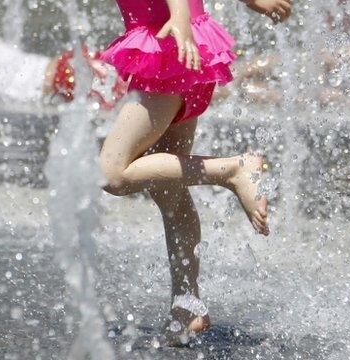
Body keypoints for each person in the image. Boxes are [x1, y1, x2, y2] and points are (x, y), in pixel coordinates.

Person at [97, 0, 292, 346]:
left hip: (169, 47)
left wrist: (179, 19)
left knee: (113, 172)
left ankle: (233, 169)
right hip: (179, 45)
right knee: (168, 190)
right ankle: (187, 308)